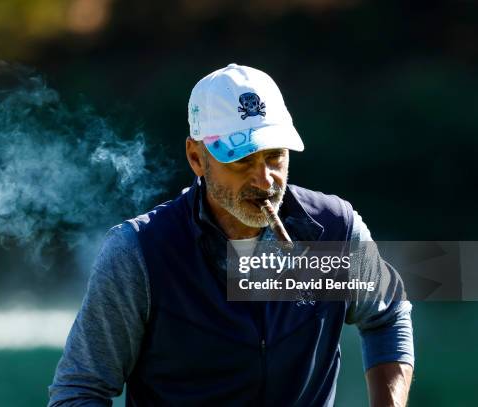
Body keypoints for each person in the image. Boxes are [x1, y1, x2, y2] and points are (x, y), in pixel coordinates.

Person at [48, 63, 414, 406]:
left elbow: (387, 314)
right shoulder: (138, 252)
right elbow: (80, 390)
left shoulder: (335, 229)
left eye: (275, 157)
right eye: (241, 160)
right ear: (196, 157)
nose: (265, 179)